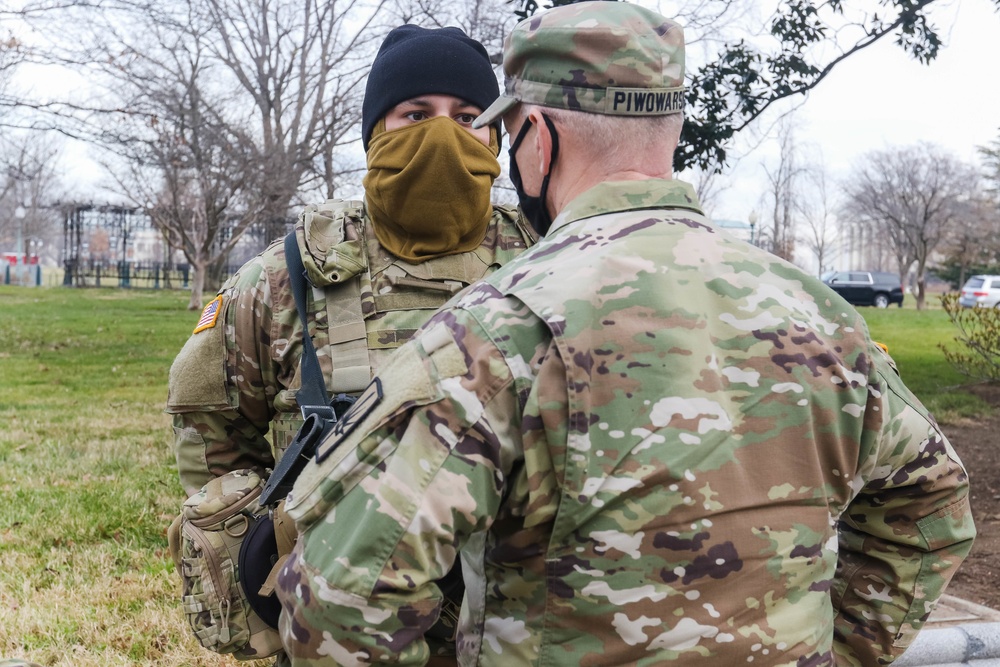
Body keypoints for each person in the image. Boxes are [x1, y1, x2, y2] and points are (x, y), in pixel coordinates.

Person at [274, 2, 976, 665]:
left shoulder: (494, 331)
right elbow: (933, 504)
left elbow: (338, 601)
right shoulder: (821, 316)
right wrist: (842, 648)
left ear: (537, 140)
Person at [166, 23, 535, 664]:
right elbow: (210, 429)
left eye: (469, 117)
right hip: (336, 634)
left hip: (510, 632)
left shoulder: (549, 266)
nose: (444, 135)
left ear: (497, 136)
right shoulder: (286, 279)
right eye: (416, 114)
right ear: (374, 133)